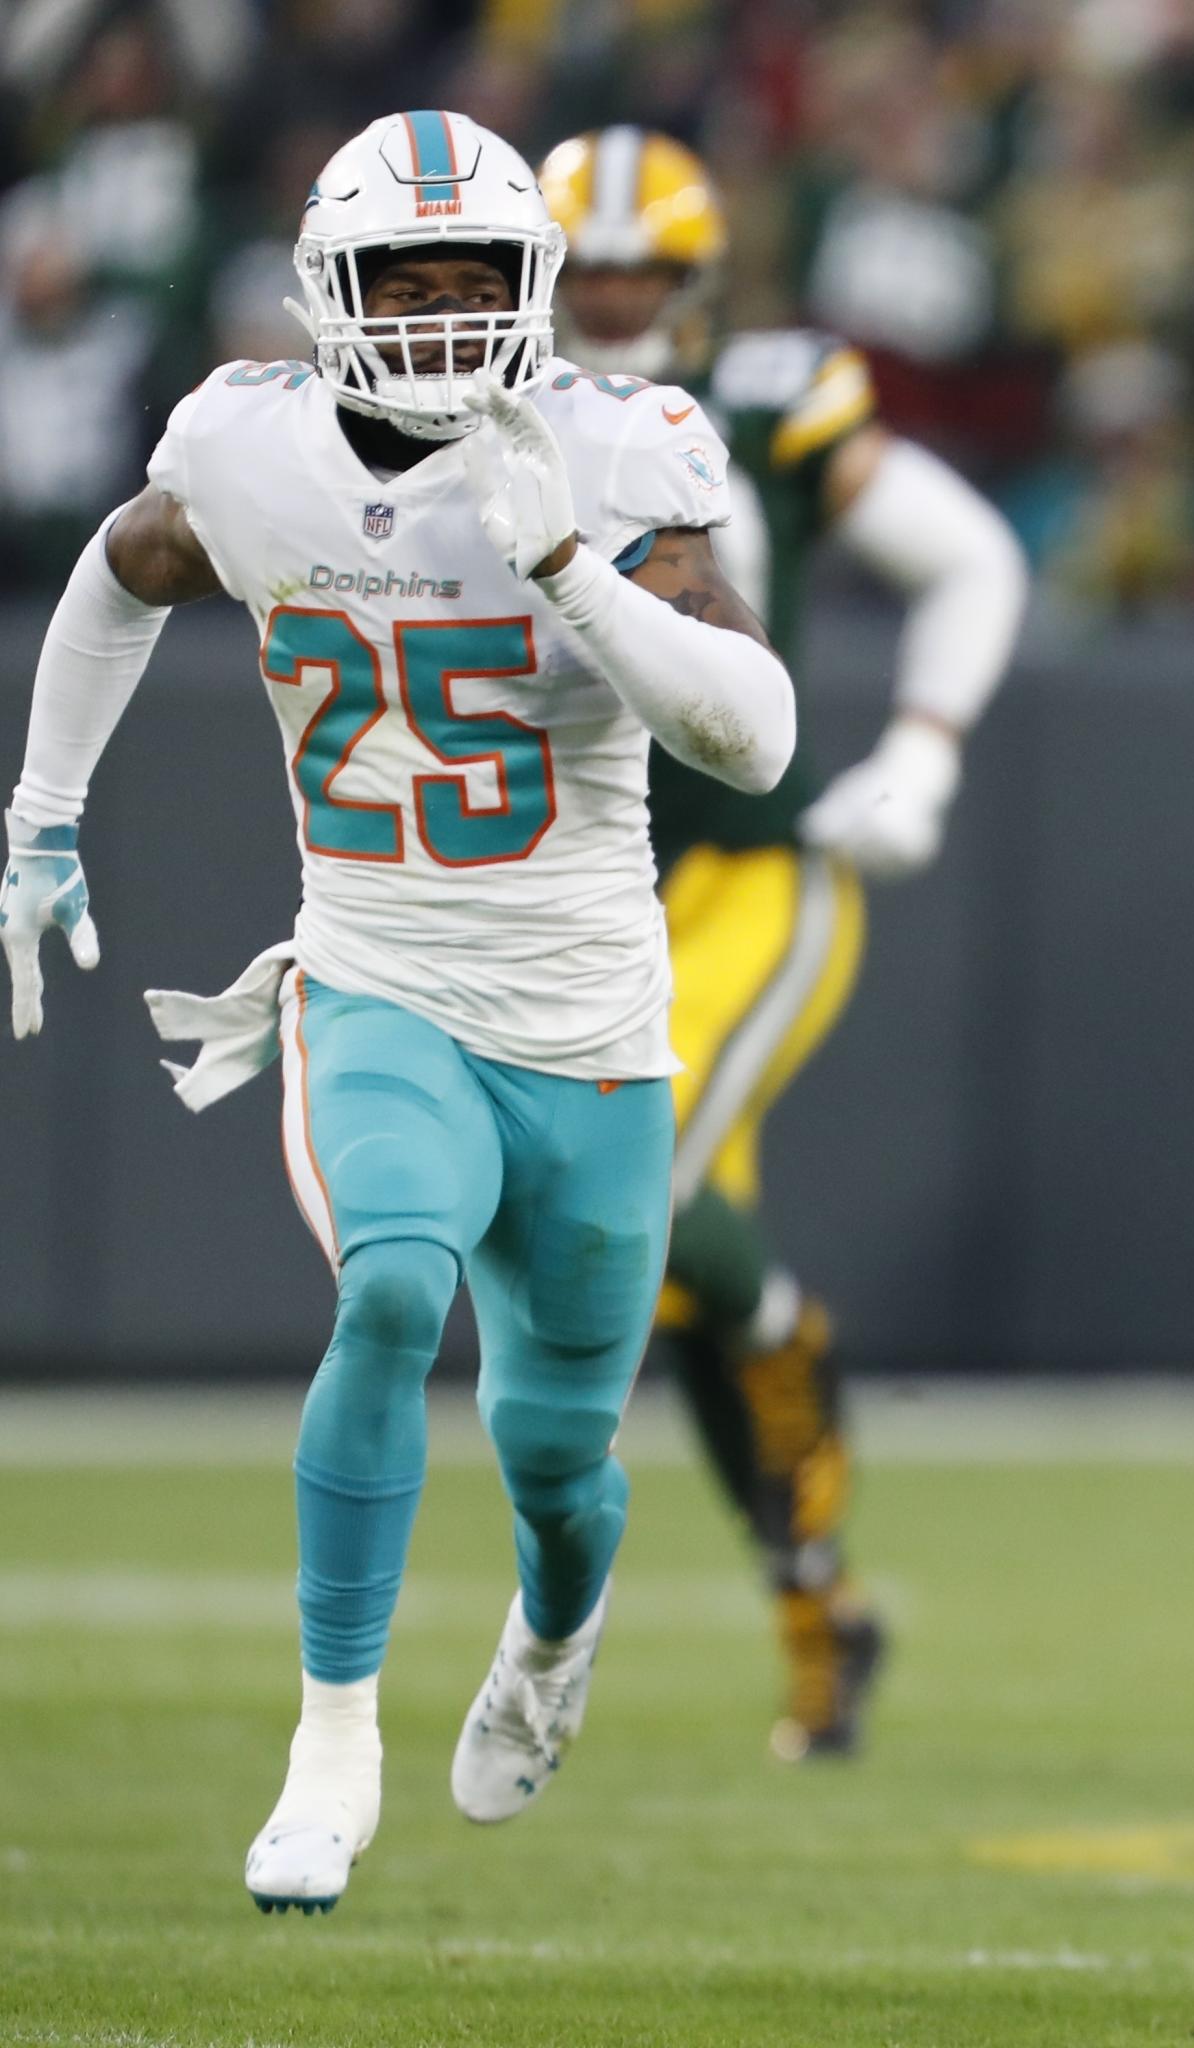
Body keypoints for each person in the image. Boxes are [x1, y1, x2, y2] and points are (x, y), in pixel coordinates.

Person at [0, 111, 795, 1911]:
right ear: (325, 295)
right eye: (402, 284)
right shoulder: (243, 444)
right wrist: (41, 813)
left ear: (538, 294)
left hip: (593, 1028)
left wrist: (576, 575)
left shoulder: (622, 449)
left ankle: (551, 1637)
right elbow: (124, 571)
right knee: (393, 1286)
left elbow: (757, 732)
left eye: (475, 283)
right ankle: (333, 1738)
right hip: (379, 977)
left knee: (559, 1460)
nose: (441, 321)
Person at [539, 127, 1029, 1760]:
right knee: (673, 1291)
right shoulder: (474, 422)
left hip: (753, 876)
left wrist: (928, 749)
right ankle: (824, 1609)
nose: (608, 303)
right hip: (580, 888)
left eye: (637, 273)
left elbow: (970, 557)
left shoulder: (759, 399)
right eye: (581, 271)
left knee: (638, 1187)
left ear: (694, 279)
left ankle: (778, 1333)